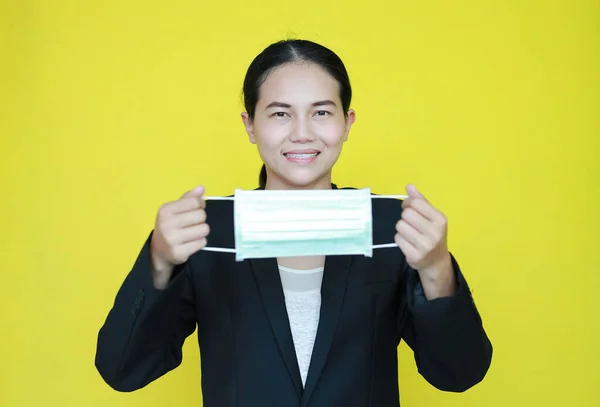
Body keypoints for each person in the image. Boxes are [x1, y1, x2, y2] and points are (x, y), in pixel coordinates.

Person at [95, 38, 493, 407]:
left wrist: (437, 268)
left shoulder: (393, 228)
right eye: (280, 114)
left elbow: (460, 373)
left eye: (321, 112)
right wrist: (159, 262)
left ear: (347, 123)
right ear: (250, 125)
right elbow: (124, 371)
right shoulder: (202, 232)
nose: (302, 133)